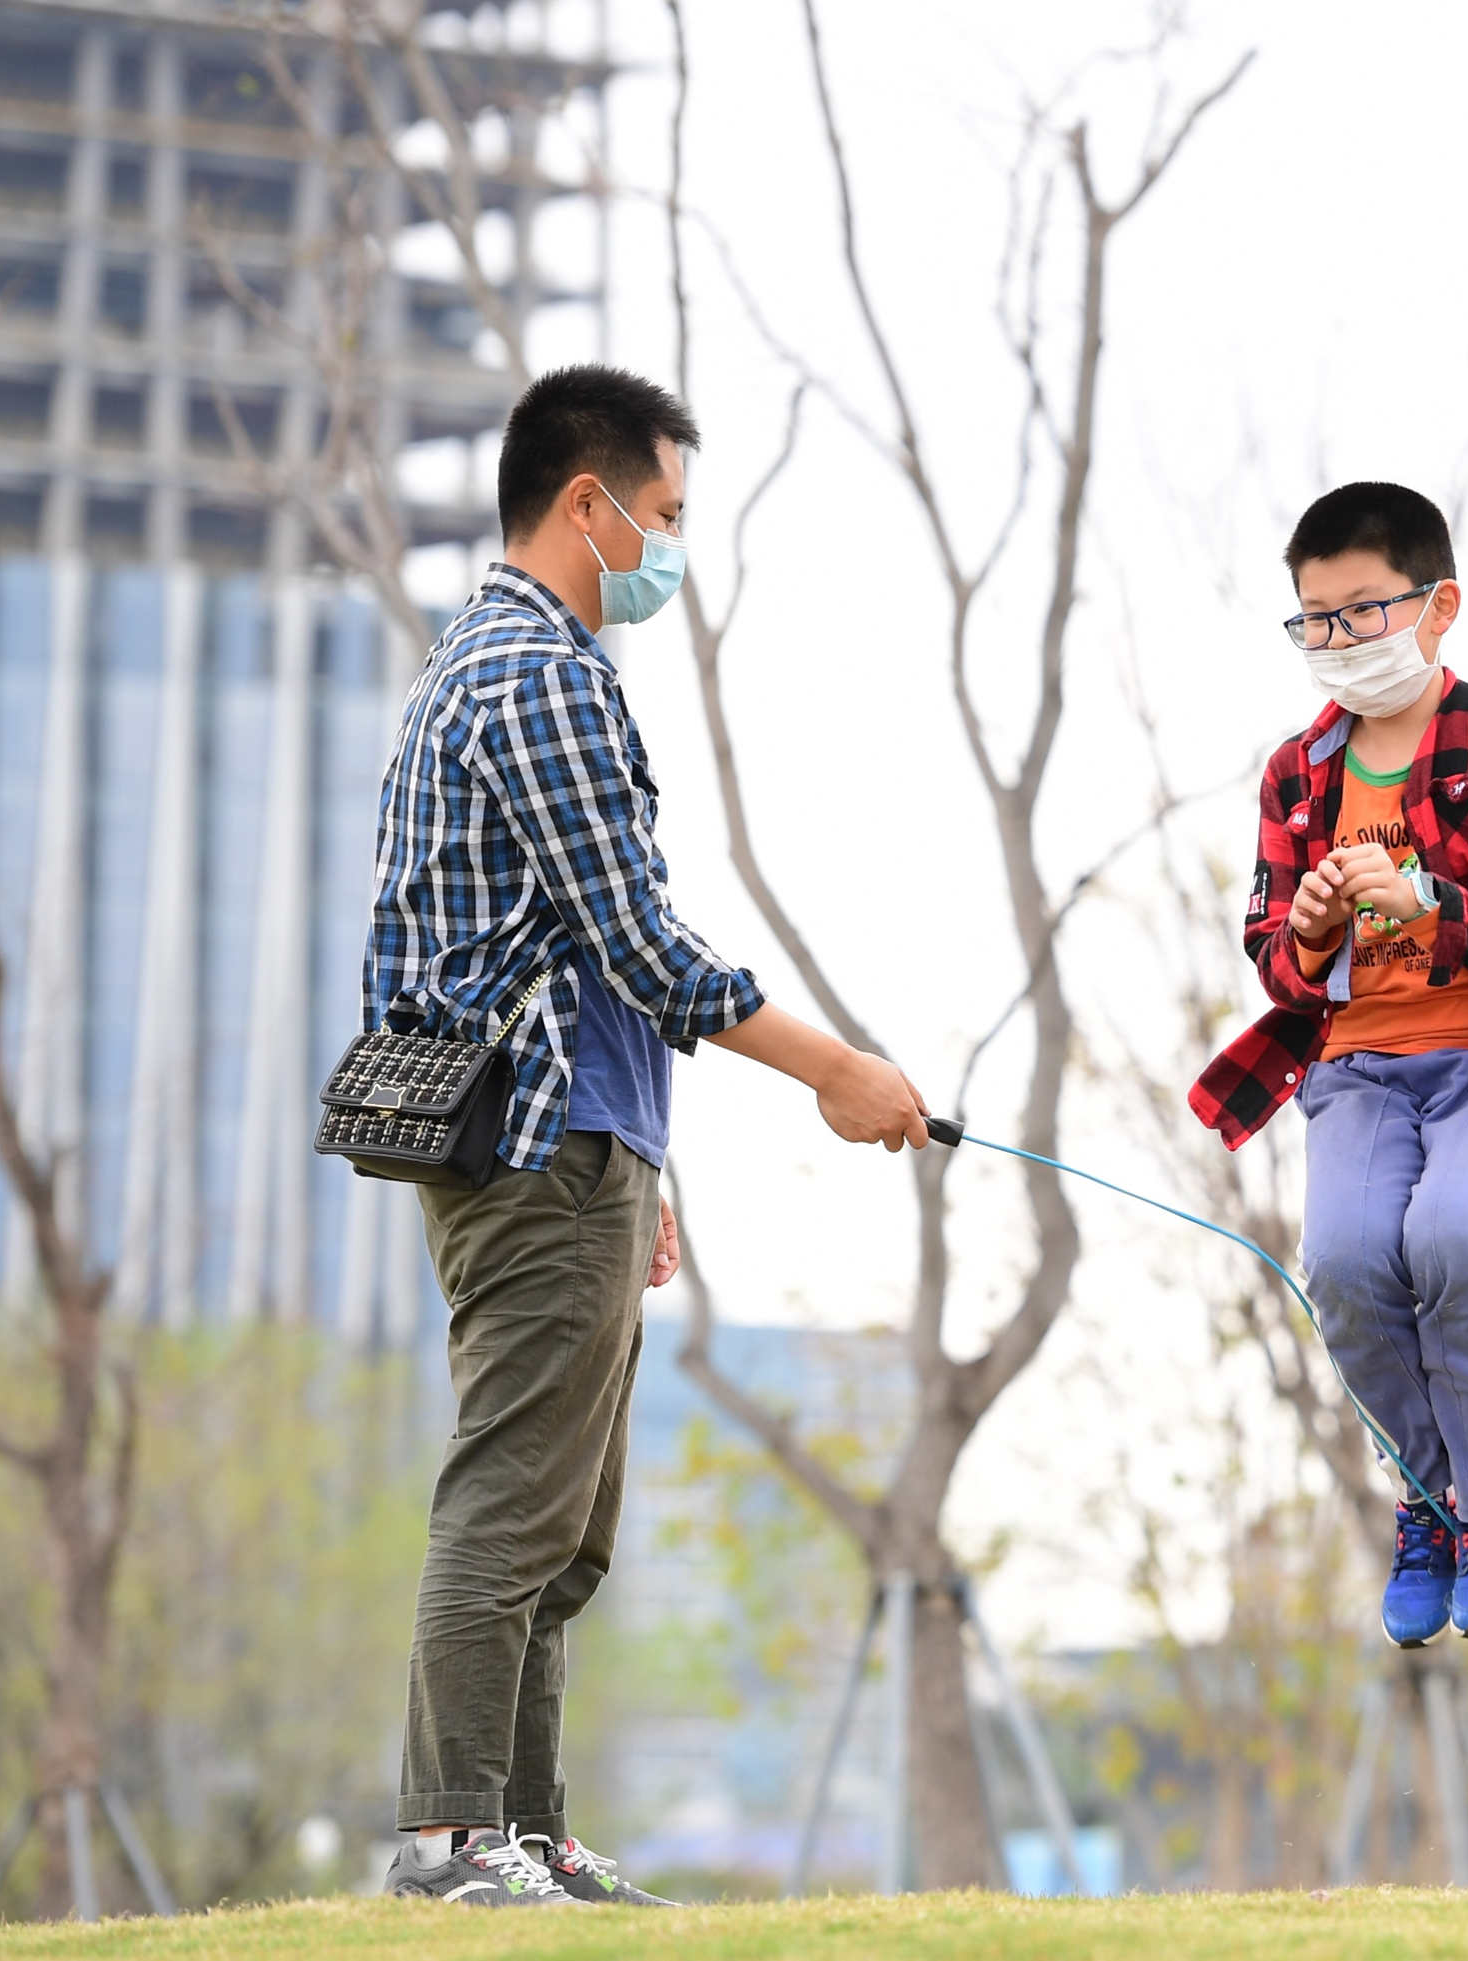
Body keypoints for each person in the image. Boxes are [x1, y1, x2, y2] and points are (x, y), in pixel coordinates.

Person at [364, 364, 932, 1908]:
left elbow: (550, 949)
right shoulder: (535, 671)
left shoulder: (491, 662)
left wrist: (649, 1157)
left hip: (582, 1135)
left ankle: (524, 1837)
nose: (671, 548)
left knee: (565, 1523)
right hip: (537, 1152)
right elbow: (637, 941)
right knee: (509, 1501)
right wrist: (833, 1067)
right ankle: (445, 1842)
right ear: (586, 503)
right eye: (665, 516)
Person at [1189, 482, 1468, 1649]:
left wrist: (1428, 899)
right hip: (1357, 1068)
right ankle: (1433, 1506)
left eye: (1362, 611)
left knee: (1452, 1241)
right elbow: (1276, 967)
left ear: (1437, 605)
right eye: (1316, 621)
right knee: (1346, 1267)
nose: (1339, 642)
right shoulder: (1295, 773)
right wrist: (1305, 928)